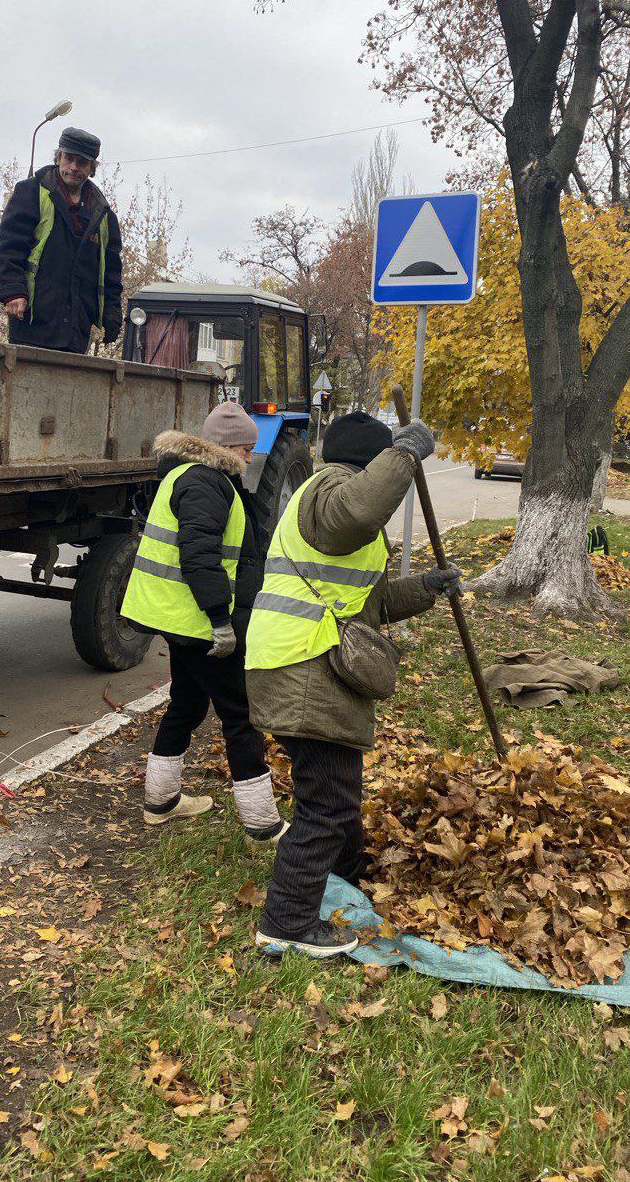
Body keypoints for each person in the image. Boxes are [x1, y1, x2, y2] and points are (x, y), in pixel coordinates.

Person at [246, 411, 462, 958]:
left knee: (336, 788)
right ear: (370, 461)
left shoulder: (332, 509)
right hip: (303, 664)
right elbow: (365, 506)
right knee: (324, 802)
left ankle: (345, 876)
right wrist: (407, 452)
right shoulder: (332, 492)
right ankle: (287, 922)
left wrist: (425, 589)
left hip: (304, 662)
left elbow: (372, 604)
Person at [120, 401, 287, 843]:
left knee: (188, 702)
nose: (251, 458)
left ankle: (161, 801)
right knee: (240, 716)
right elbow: (199, 556)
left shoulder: (188, 476)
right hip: (198, 623)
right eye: (248, 449)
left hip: (177, 617)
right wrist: (221, 621)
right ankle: (262, 824)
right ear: (230, 447)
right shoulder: (207, 484)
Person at [0, 127, 122, 354]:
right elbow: (9, 246)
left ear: (92, 169)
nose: (73, 167)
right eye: (68, 158)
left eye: (81, 162)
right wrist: (13, 291)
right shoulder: (32, 192)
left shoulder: (102, 213)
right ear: (58, 158)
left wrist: (112, 311)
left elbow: (111, 269)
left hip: (76, 325)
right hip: (33, 318)